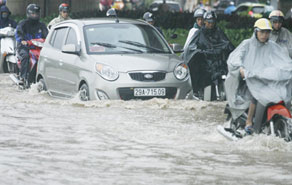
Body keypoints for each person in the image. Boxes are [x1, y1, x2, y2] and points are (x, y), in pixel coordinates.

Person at [225, 18, 292, 134]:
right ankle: (249, 122)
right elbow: (235, 57)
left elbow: (283, 60)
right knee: (256, 96)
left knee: (284, 95)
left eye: (267, 32)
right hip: (250, 79)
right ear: (256, 31)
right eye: (262, 32)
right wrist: (241, 68)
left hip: (267, 79)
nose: (265, 35)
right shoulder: (247, 44)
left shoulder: (272, 46)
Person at [183, 10, 234, 99]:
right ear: (205, 21)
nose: (211, 24)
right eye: (209, 22)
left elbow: (228, 44)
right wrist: (200, 52)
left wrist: (224, 50)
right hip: (205, 64)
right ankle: (198, 91)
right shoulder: (198, 33)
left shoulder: (219, 32)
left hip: (218, 63)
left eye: (213, 22)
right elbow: (191, 48)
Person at [15, 4, 48, 84]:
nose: (35, 15)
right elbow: (18, 34)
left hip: (39, 48)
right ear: (28, 14)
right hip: (25, 47)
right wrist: (22, 40)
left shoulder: (42, 25)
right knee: (25, 56)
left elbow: (47, 36)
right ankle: (23, 77)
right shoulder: (23, 24)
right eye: (33, 13)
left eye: (36, 13)